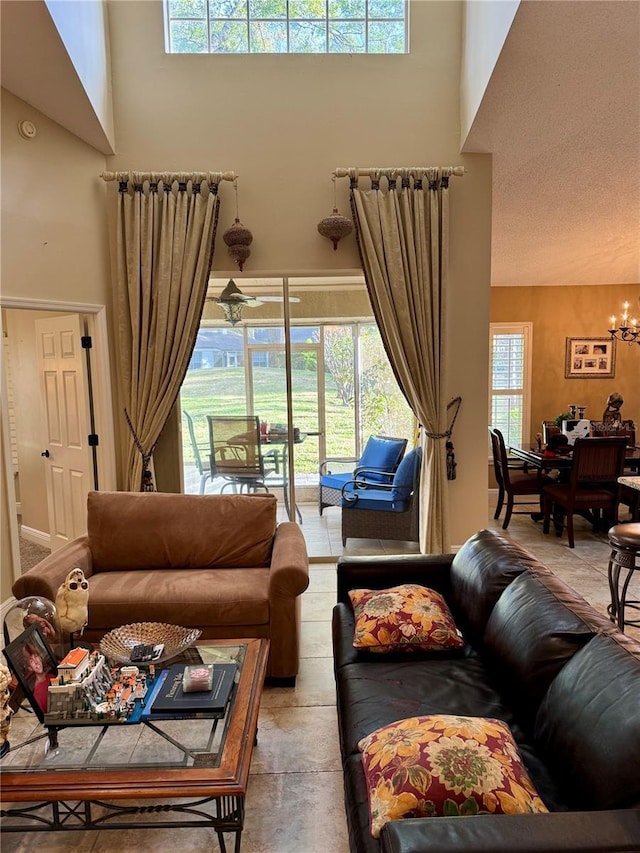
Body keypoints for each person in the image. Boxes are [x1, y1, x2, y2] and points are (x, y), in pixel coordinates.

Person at [22, 641, 53, 714]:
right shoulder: (37, 694)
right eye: (31, 661)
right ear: (30, 668)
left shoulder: (52, 676)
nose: (36, 661)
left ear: (40, 658)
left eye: (36, 656)